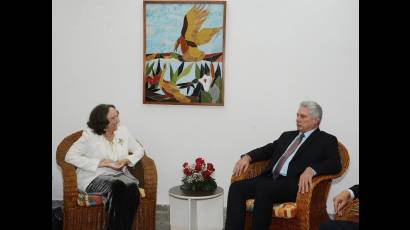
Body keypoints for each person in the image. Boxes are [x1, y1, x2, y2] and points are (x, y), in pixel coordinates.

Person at [225, 101, 342, 230]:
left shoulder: (326, 140)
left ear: (316, 120)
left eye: (303, 116)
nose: (297, 119)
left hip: (293, 184)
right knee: (237, 188)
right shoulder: (287, 135)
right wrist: (247, 156)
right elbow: (267, 150)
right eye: (297, 115)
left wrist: (312, 170)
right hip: (269, 178)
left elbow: (335, 164)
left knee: (264, 189)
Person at [65, 104, 144, 230]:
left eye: (117, 116)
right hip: (95, 177)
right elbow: (69, 156)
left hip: (120, 175)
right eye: (113, 118)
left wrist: (127, 160)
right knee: (117, 186)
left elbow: (139, 150)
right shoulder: (90, 135)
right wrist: (101, 163)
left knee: (132, 187)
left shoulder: (123, 131)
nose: (117, 120)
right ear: (103, 122)